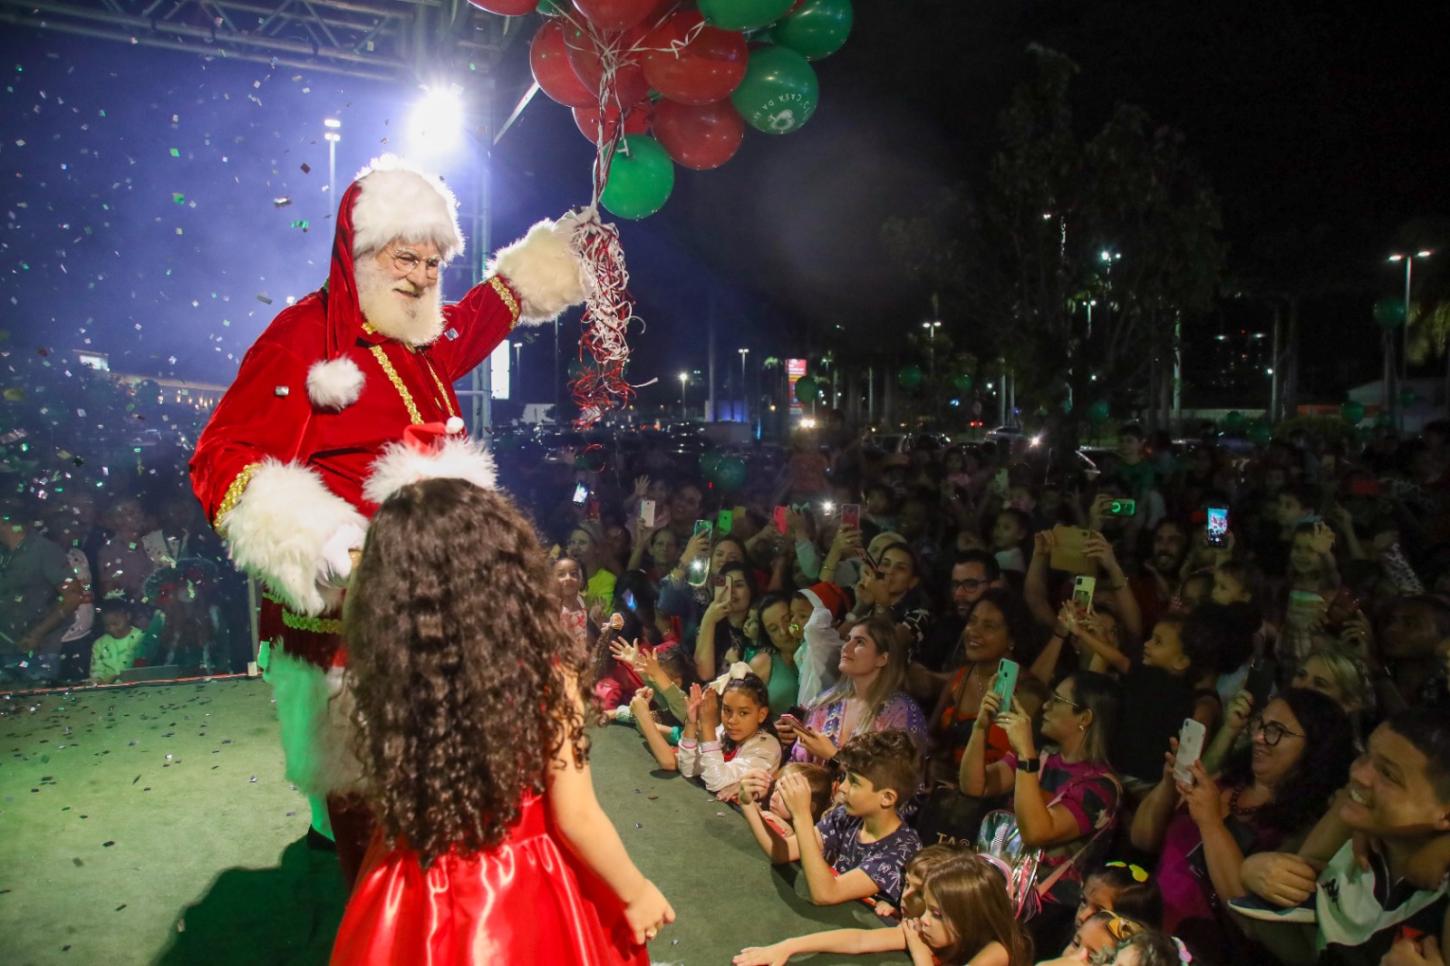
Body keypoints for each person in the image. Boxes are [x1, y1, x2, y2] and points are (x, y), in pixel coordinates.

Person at [189, 153, 588, 875]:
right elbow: (221, 454)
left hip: (442, 599)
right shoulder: (300, 336)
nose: (423, 275)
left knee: (439, 787)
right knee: (368, 805)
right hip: (352, 614)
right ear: (360, 253)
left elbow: (467, 324)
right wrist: (322, 541)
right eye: (406, 256)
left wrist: (531, 272)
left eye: (435, 261)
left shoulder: (417, 337)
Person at [330, 475, 672, 964]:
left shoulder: (388, 672)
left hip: (412, 880)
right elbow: (577, 817)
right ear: (502, 568)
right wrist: (635, 892)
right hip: (517, 887)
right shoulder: (543, 676)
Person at [1130, 689, 1353, 959]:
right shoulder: (1224, 780)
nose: (1259, 737)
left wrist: (1211, 823)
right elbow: (1142, 839)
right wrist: (1169, 783)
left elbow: (1248, 918)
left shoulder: (1304, 829)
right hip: (1146, 931)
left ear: (1316, 747)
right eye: (1260, 724)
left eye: (1276, 730)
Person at [1236, 707, 1450, 966]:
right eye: (1366, 755)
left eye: (1389, 774)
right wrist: (1253, 871)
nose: (1359, 775)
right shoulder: (1355, 842)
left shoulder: (1436, 904)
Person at [961, 672, 1123, 953]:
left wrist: (1026, 755)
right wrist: (980, 727)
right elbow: (974, 785)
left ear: (1084, 717)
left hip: (1042, 913)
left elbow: (1037, 831)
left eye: (1057, 700)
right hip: (1000, 892)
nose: (1045, 706)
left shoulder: (1100, 787)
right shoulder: (1043, 758)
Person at [732, 850, 1029, 966]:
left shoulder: (996, 952)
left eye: (937, 914)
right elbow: (859, 940)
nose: (923, 920)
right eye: (927, 908)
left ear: (971, 918)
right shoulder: (925, 929)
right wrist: (787, 947)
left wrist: (920, 954)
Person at [764, 729, 924, 907]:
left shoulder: (903, 849)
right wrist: (748, 805)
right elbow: (780, 852)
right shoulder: (847, 816)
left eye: (854, 782)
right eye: (845, 777)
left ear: (887, 797)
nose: (842, 787)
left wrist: (802, 816)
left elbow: (825, 894)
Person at [781, 615, 928, 764]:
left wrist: (833, 757)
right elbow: (797, 761)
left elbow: (894, 778)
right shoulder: (826, 703)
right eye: (847, 640)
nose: (846, 647)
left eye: (860, 642)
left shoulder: (901, 712)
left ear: (882, 658)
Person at [677, 669, 782, 801]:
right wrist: (691, 724)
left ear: (761, 714)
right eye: (727, 710)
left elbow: (716, 782)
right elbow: (688, 768)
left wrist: (707, 727)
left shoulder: (767, 747)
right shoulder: (724, 731)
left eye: (743, 713)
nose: (732, 720)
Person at [737, 762, 834, 862]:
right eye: (775, 789)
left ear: (810, 807)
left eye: (784, 795)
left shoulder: (819, 840)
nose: (774, 798)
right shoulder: (770, 809)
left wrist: (791, 835)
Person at [567, 520, 618, 616]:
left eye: (582, 543)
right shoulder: (564, 576)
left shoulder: (607, 579)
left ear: (597, 548)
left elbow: (601, 617)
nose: (575, 548)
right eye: (572, 542)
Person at [89, 598, 144, 682]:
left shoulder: (141, 639)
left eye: (115, 624)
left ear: (128, 616)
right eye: (107, 626)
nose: (111, 629)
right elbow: (96, 672)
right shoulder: (99, 644)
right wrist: (100, 681)